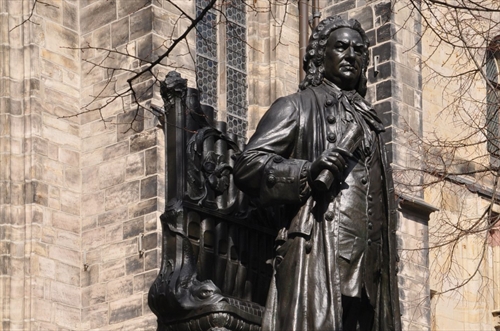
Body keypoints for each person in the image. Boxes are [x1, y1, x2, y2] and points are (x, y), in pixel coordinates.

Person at [233, 16, 401, 331]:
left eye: (358, 50)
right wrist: (307, 172)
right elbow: (247, 165)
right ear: (320, 57)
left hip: (371, 268)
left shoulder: (372, 122)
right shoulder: (296, 107)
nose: (351, 55)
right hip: (320, 254)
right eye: (341, 47)